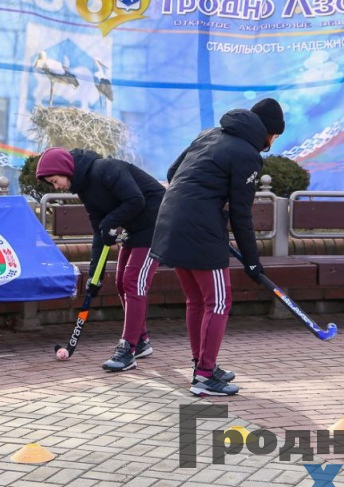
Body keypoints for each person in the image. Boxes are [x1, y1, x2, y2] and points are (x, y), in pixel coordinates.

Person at [150, 97, 284, 396]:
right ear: (267, 132)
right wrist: (252, 260)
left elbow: (173, 173)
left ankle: (203, 364)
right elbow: (241, 213)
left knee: (197, 300)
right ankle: (204, 376)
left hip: (169, 223)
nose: (272, 144)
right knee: (219, 302)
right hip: (201, 232)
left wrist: (209, 199)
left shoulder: (208, 134)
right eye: (274, 136)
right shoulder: (248, 154)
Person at [36, 147, 164, 372]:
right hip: (135, 227)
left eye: (55, 181)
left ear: (65, 170)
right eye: (52, 185)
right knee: (121, 281)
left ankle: (128, 350)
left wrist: (109, 223)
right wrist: (94, 277)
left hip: (156, 222)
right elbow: (100, 233)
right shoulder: (85, 188)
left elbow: (136, 199)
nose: (56, 187)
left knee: (134, 282)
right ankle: (141, 340)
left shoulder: (106, 169)